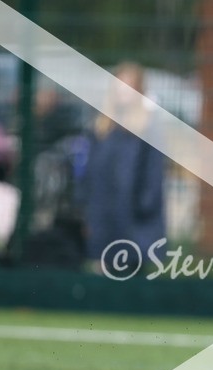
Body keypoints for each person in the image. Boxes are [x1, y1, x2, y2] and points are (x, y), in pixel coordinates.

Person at [80, 62, 165, 274]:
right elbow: (89, 171)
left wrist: (143, 208)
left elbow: (153, 176)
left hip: (133, 217)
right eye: (119, 86)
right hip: (102, 215)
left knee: (129, 272)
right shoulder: (100, 128)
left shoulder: (148, 129)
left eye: (128, 86)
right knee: (101, 269)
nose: (122, 92)